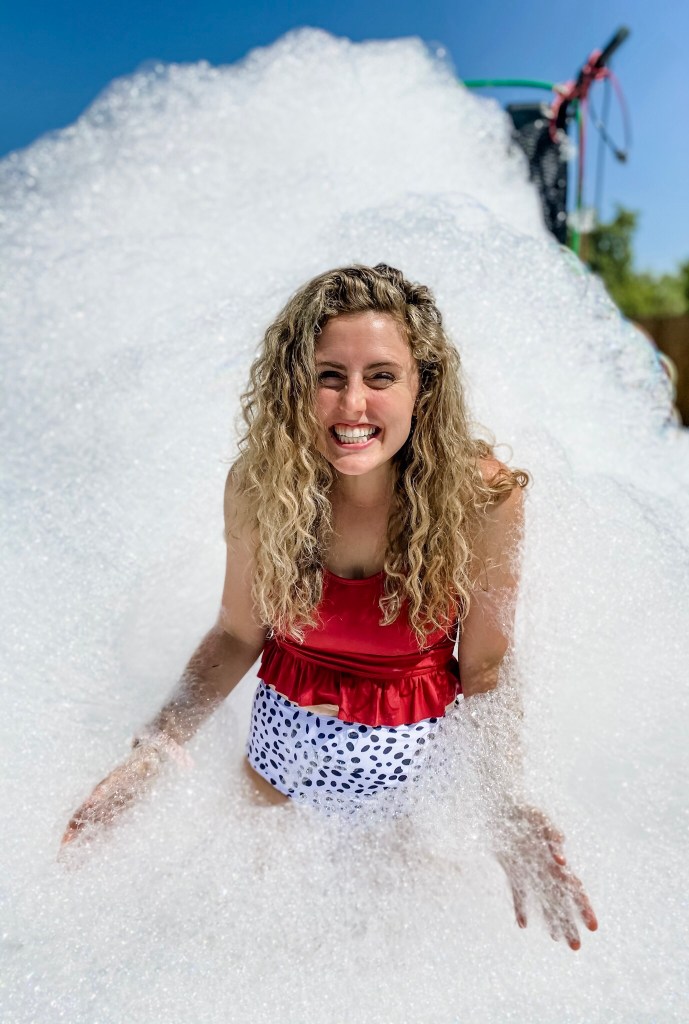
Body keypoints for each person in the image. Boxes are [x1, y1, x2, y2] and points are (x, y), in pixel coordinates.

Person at [61, 263, 598, 949]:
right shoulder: (262, 487)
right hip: (280, 755)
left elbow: (486, 667)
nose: (353, 405)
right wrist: (154, 751)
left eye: (381, 376)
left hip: (413, 780)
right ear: (295, 384)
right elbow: (236, 635)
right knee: (252, 946)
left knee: (389, 960)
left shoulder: (481, 498)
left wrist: (501, 805)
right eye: (329, 376)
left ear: (423, 386)